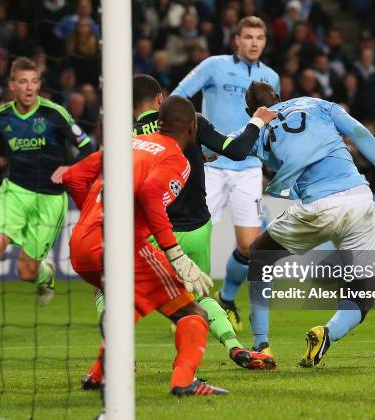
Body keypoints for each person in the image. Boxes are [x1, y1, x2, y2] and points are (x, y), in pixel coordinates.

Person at [81, 75, 277, 391]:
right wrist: (256, 119)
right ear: (161, 99)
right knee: (194, 296)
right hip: (196, 227)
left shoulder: (126, 135)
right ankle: (232, 346)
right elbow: (238, 150)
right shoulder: (191, 122)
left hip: (151, 232)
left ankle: (118, 360)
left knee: (109, 290)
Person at [56, 96, 228, 396]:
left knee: (128, 307)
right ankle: (184, 381)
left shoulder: (129, 143)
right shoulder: (177, 159)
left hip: (81, 245)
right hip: (122, 246)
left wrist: (93, 219)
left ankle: (98, 375)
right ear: (192, 127)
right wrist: (174, 253)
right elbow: (150, 195)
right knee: (192, 313)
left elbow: (73, 176)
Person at [242, 81, 375, 367]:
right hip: (359, 199)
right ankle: (327, 332)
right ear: (279, 96)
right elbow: (360, 132)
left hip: (320, 206)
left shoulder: (257, 130)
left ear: (248, 111)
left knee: (260, 255)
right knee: (362, 295)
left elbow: (224, 149)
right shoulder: (317, 104)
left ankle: (261, 345)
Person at [0, 57, 95, 336]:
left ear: (39, 84)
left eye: (34, 81)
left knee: (25, 271)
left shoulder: (55, 114)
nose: (30, 87)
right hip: (15, 192)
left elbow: (89, 149)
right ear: (12, 86)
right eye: (23, 82)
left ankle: (45, 275)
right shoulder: (1, 117)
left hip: (50, 199)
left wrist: (72, 168)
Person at [172, 16, 280, 357]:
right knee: (195, 234)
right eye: (247, 36)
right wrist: (192, 139)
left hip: (249, 168)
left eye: (259, 37)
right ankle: (182, 305)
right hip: (212, 166)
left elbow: (271, 122)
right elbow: (177, 98)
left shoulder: (272, 77)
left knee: (251, 247)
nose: (253, 42)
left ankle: (227, 298)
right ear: (236, 40)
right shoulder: (213, 66)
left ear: (264, 42)